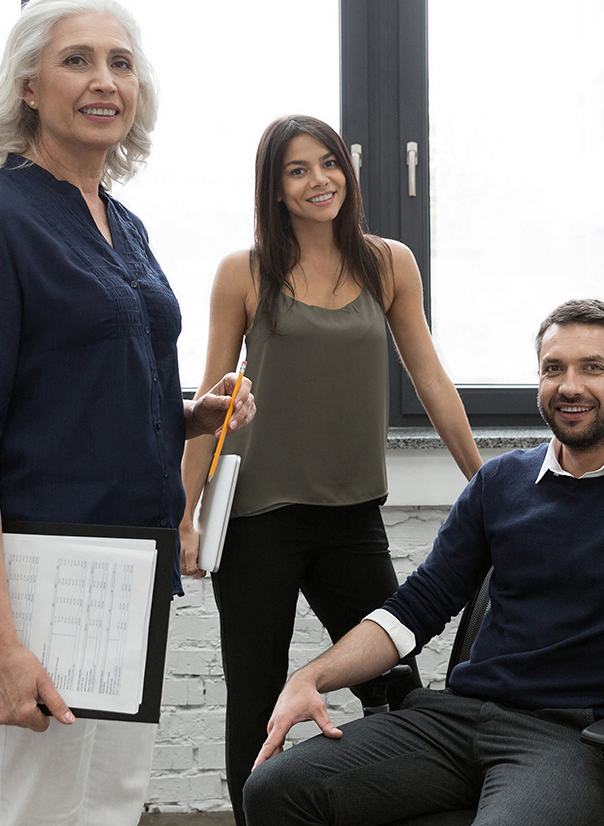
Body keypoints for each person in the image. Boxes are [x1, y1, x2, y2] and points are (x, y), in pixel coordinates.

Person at [245, 299, 604, 826]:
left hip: (570, 742)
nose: (570, 386)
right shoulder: (501, 482)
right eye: (554, 368)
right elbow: (413, 610)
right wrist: (311, 676)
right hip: (456, 722)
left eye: (592, 368)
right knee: (274, 790)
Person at [0, 0, 255, 826]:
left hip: (128, 578)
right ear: (29, 87)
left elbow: (78, 390)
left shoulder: (123, 223)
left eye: (121, 62)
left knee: (105, 805)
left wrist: (188, 416)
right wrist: (1, 648)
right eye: (77, 60)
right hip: (41, 585)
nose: (104, 79)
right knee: (38, 809)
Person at [179, 115, 482, 825]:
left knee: (396, 686)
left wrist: (487, 480)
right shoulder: (244, 272)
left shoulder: (388, 264)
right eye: (297, 169)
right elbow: (209, 407)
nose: (320, 180)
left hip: (352, 518)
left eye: (329, 163)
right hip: (258, 519)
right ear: (275, 189)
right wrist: (184, 514)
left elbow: (432, 381)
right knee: (255, 698)